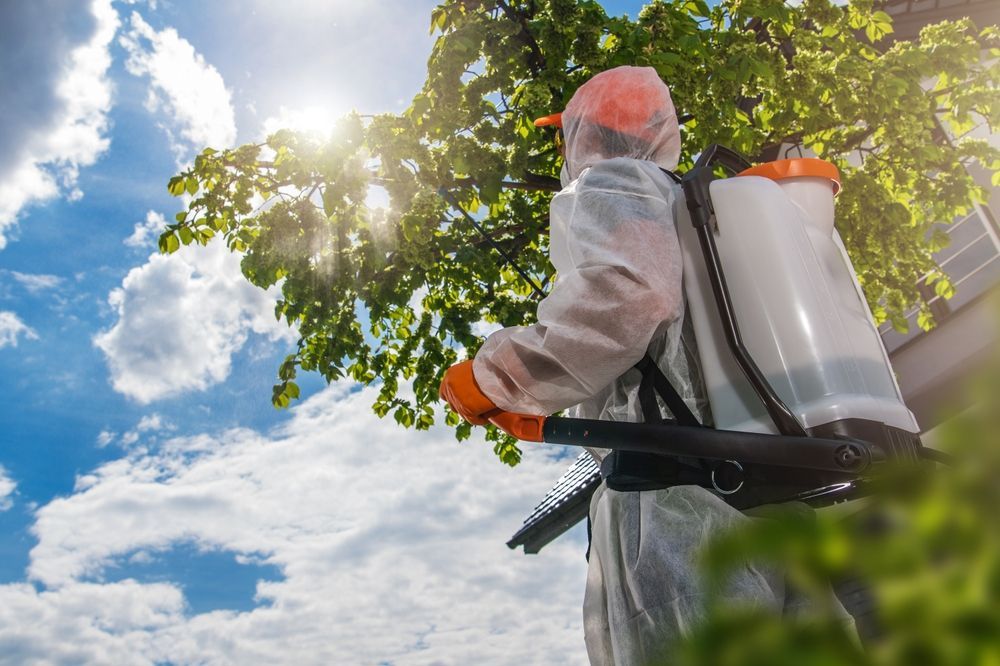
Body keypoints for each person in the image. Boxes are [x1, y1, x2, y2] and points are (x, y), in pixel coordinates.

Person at [439, 66, 849, 664]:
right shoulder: (700, 211)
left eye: (567, 134)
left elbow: (631, 296)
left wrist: (493, 378)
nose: (563, 150)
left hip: (675, 500)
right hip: (769, 489)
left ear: (590, 135)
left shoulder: (617, 184)